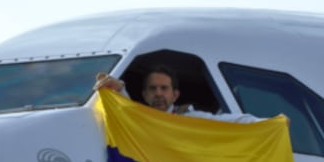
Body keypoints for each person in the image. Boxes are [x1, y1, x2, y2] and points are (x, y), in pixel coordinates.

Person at [94, 66, 262, 123]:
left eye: (164, 88)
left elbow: (231, 122)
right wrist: (119, 89)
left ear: (175, 95)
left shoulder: (189, 119)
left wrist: (266, 123)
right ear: (144, 95)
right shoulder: (141, 119)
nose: (158, 93)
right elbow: (127, 113)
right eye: (152, 89)